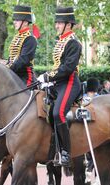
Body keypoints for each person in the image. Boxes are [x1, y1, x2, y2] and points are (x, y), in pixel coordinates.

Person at [37, 6, 82, 166]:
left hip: (69, 82)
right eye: (56, 22)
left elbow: (68, 68)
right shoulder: (61, 41)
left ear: (68, 25)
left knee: (58, 113)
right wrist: (46, 79)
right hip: (57, 82)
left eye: (59, 23)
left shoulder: (74, 43)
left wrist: (48, 76)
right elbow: (58, 65)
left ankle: (66, 153)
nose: (56, 25)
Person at [6, 5, 37, 86]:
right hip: (13, 74)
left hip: (25, 77)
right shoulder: (16, 37)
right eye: (14, 20)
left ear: (25, 22)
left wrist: (7, 69)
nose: (14, 22)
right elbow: (11, 58)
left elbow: (23, 60)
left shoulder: (30, 38)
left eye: (17, 20)